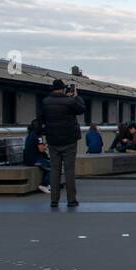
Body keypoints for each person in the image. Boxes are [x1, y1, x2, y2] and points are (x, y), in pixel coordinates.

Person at [41, 79, 85, 207]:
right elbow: (81, 109)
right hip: (69, 140)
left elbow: (42, 118)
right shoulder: (70, 101)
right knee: (69, 170)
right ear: (63, 89)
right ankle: (71, 200)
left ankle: (54, 200)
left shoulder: (45, 102)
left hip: (53, 140)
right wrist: (76, 97)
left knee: (54, 169)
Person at [21, 119, 51, 193]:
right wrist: (47, 145)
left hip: (29, 159)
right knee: (54, 166)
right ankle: (43, 185)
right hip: (35, 160)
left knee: (47, 164)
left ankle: (48, 183)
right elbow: (41, 149)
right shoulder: (38, 136)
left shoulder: (31, 134)